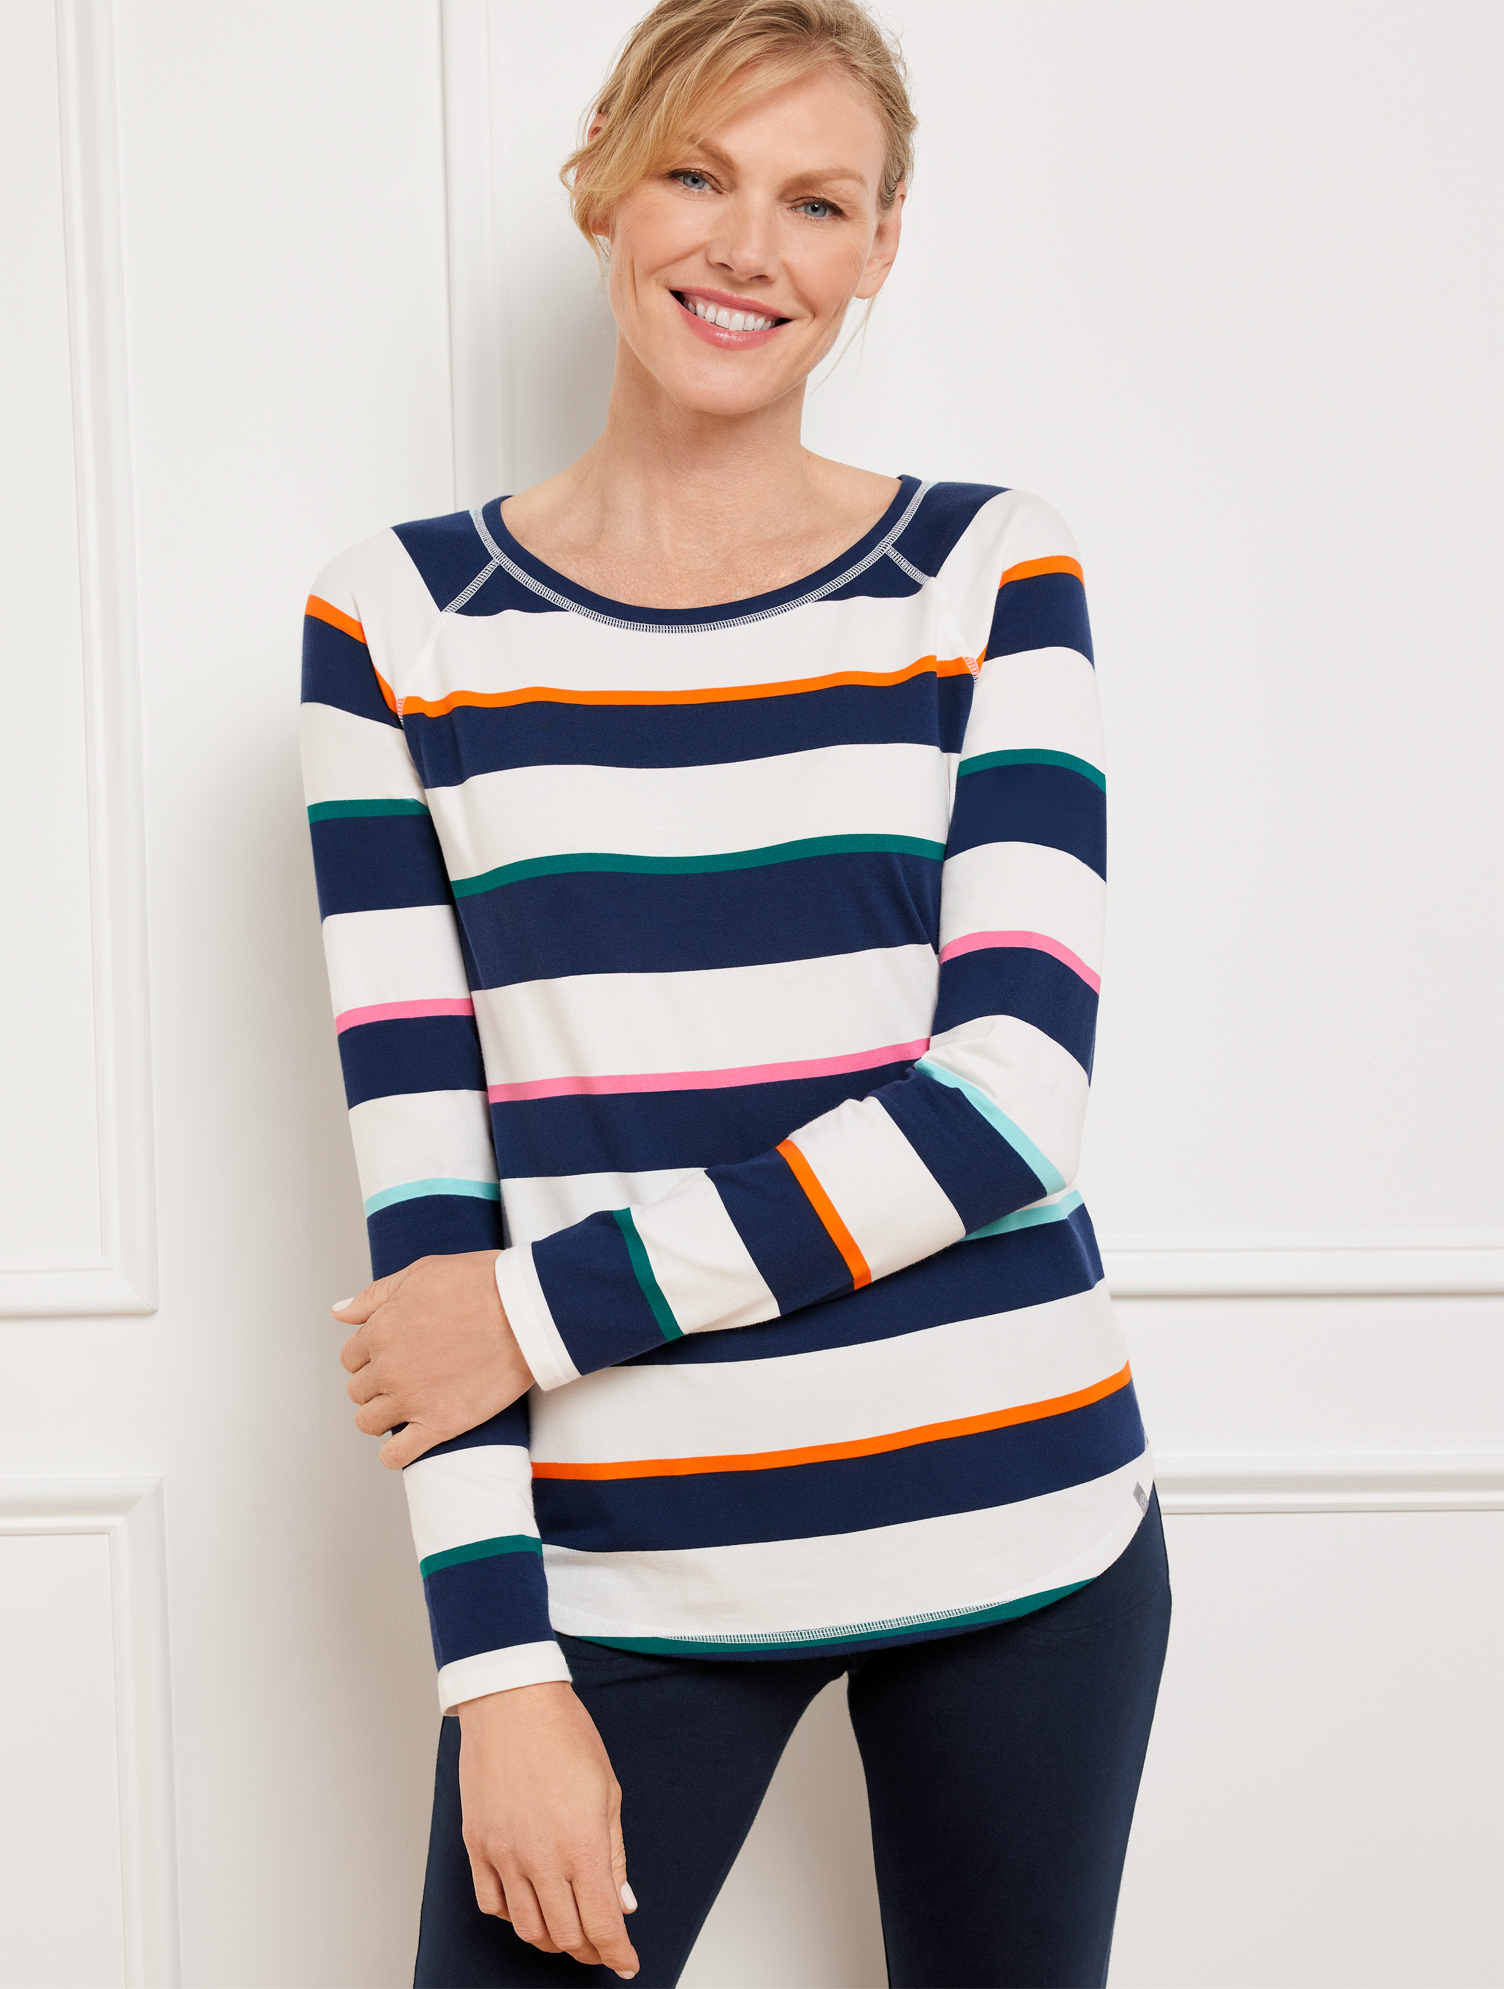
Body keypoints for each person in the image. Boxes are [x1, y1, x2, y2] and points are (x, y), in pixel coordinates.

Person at [300, 2, 1171, 1982]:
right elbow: (427, 1192)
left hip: (1019, 1519)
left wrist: (533, 1310)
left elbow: (1007, 1106)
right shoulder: (398, 620)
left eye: (816, 202)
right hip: (627, 1565)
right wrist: (495, 1671)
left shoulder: (985, 571)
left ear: (879, 248)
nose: (746, 247)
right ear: (601, 180)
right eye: (696, 172)